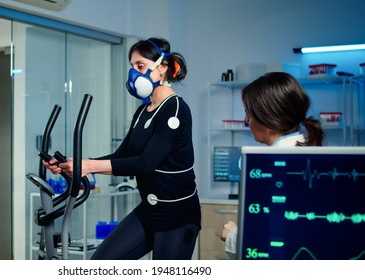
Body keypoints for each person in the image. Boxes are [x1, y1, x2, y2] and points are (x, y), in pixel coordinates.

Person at [44, 37, 201, 260]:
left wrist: (88, 166)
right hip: (149, 211)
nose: (134, 73)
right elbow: (121, 157)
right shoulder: (143, 111)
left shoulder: (175, 109)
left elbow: (147, 163)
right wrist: (74, 164)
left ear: (162, 68)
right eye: (132, 67)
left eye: (141, 66)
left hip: (177, 216)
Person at [220, 71, 326, 259]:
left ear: (267, 121)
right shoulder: (305, 153)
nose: (247, 122)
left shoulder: (274, 165)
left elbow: (270, 240)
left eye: (248, 115)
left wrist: (233, 234)